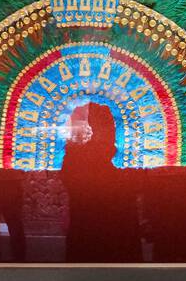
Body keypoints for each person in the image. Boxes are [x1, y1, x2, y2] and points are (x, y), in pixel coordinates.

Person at [60, 104, 142, 262]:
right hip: (115, 201)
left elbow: (68, 173)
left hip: (90, 206)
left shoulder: (80, 149)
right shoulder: (118, 113)